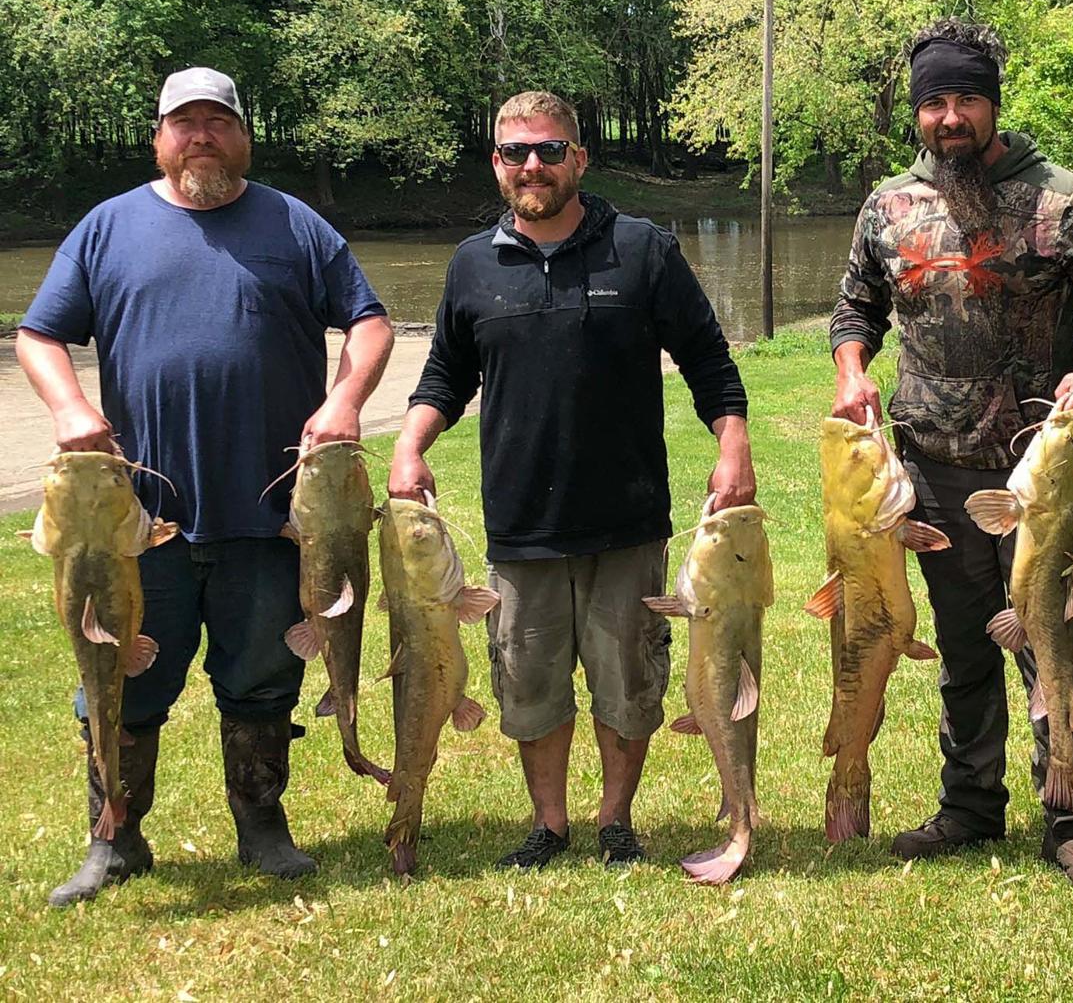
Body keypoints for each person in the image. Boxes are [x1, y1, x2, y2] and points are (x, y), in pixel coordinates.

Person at [17, 67, 394, 905]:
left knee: (261, 675)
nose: (200, 137)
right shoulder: (108, 229)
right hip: (134, 523)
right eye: (183, 123)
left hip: (268, 515)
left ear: (242, 134)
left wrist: (343, 400)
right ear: (157, 136)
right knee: (119, 677)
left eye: (216, 122)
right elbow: (39, 335)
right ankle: (114, 838)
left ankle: (262, 828)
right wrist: (72, 405)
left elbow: (368, 322)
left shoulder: (295, 225)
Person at [829, 19, 1073, 891]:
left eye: (966, 99)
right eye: (935, 102)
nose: (951, 117)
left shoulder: (1063, 201)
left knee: (1052, 643)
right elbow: (853, 310)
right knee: (963, 647)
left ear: (993, 105)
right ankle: (970, 805)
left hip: (1041, 476)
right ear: (917, 113)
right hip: (930, 469)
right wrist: (851, 373)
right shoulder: (888, 206)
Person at [388, 91, 754, 869]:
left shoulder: (643, 249)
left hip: (626, 518)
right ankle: (549, 824)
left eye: (550, 150)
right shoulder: (472, 265)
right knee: (528, 686)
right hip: (521, 525)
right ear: (495, 163)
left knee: (629, 684)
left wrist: (734, 447)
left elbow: (709, 363)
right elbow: (445, 375)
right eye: (516, 152)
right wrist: (412, 444)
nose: (532, 165)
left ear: (578, 159)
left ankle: (615, 818)